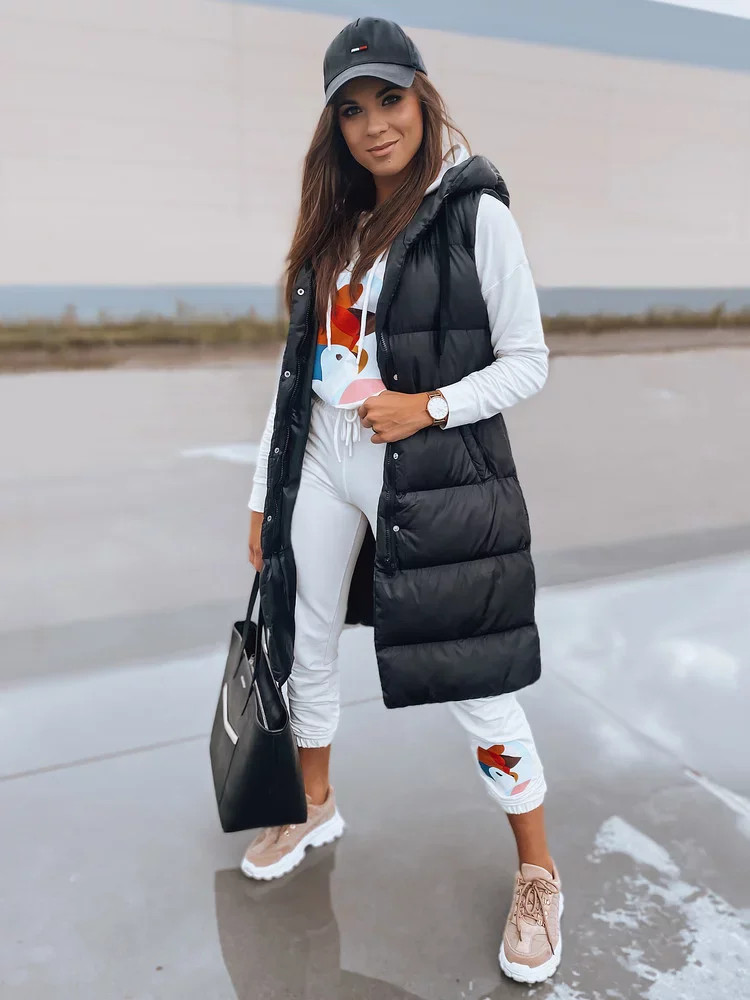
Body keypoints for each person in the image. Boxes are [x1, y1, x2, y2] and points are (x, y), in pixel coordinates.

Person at [243, 16, 562, 985]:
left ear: (423, 97)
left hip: (422, 466)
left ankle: (539, 871)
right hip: (321, 461)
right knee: (304, 644)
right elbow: (298, 377)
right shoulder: (333, 228)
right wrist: (263, 492)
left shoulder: (474, 213)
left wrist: (430, 406)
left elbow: (529, 361)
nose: (375, 124)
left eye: (390, 99)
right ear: (334, 126)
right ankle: (314, 803)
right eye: (352, 109)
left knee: (472, 674)